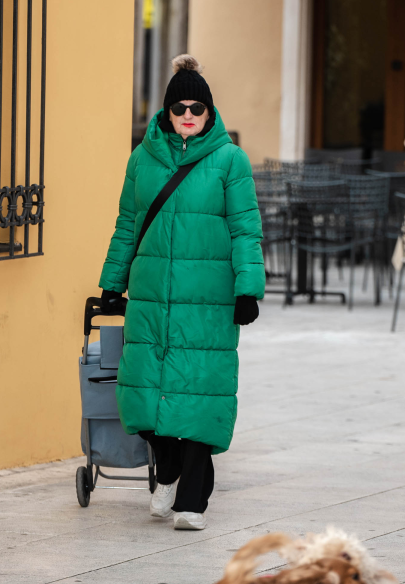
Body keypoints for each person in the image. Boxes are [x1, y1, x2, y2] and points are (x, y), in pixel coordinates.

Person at [98, 54, 265, 530]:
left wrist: (248, 289)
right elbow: (127, 225)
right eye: (179, 107)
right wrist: (112, 283)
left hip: (208, 301)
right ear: (166, 112)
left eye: (197, 107)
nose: (188, 115)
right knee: (144, 397)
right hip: (151, 298)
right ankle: (166, 469)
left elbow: (245, 229)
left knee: (199, 397)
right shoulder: (142, 159)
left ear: (210, 112)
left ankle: (192, 500)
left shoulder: (230, 161)